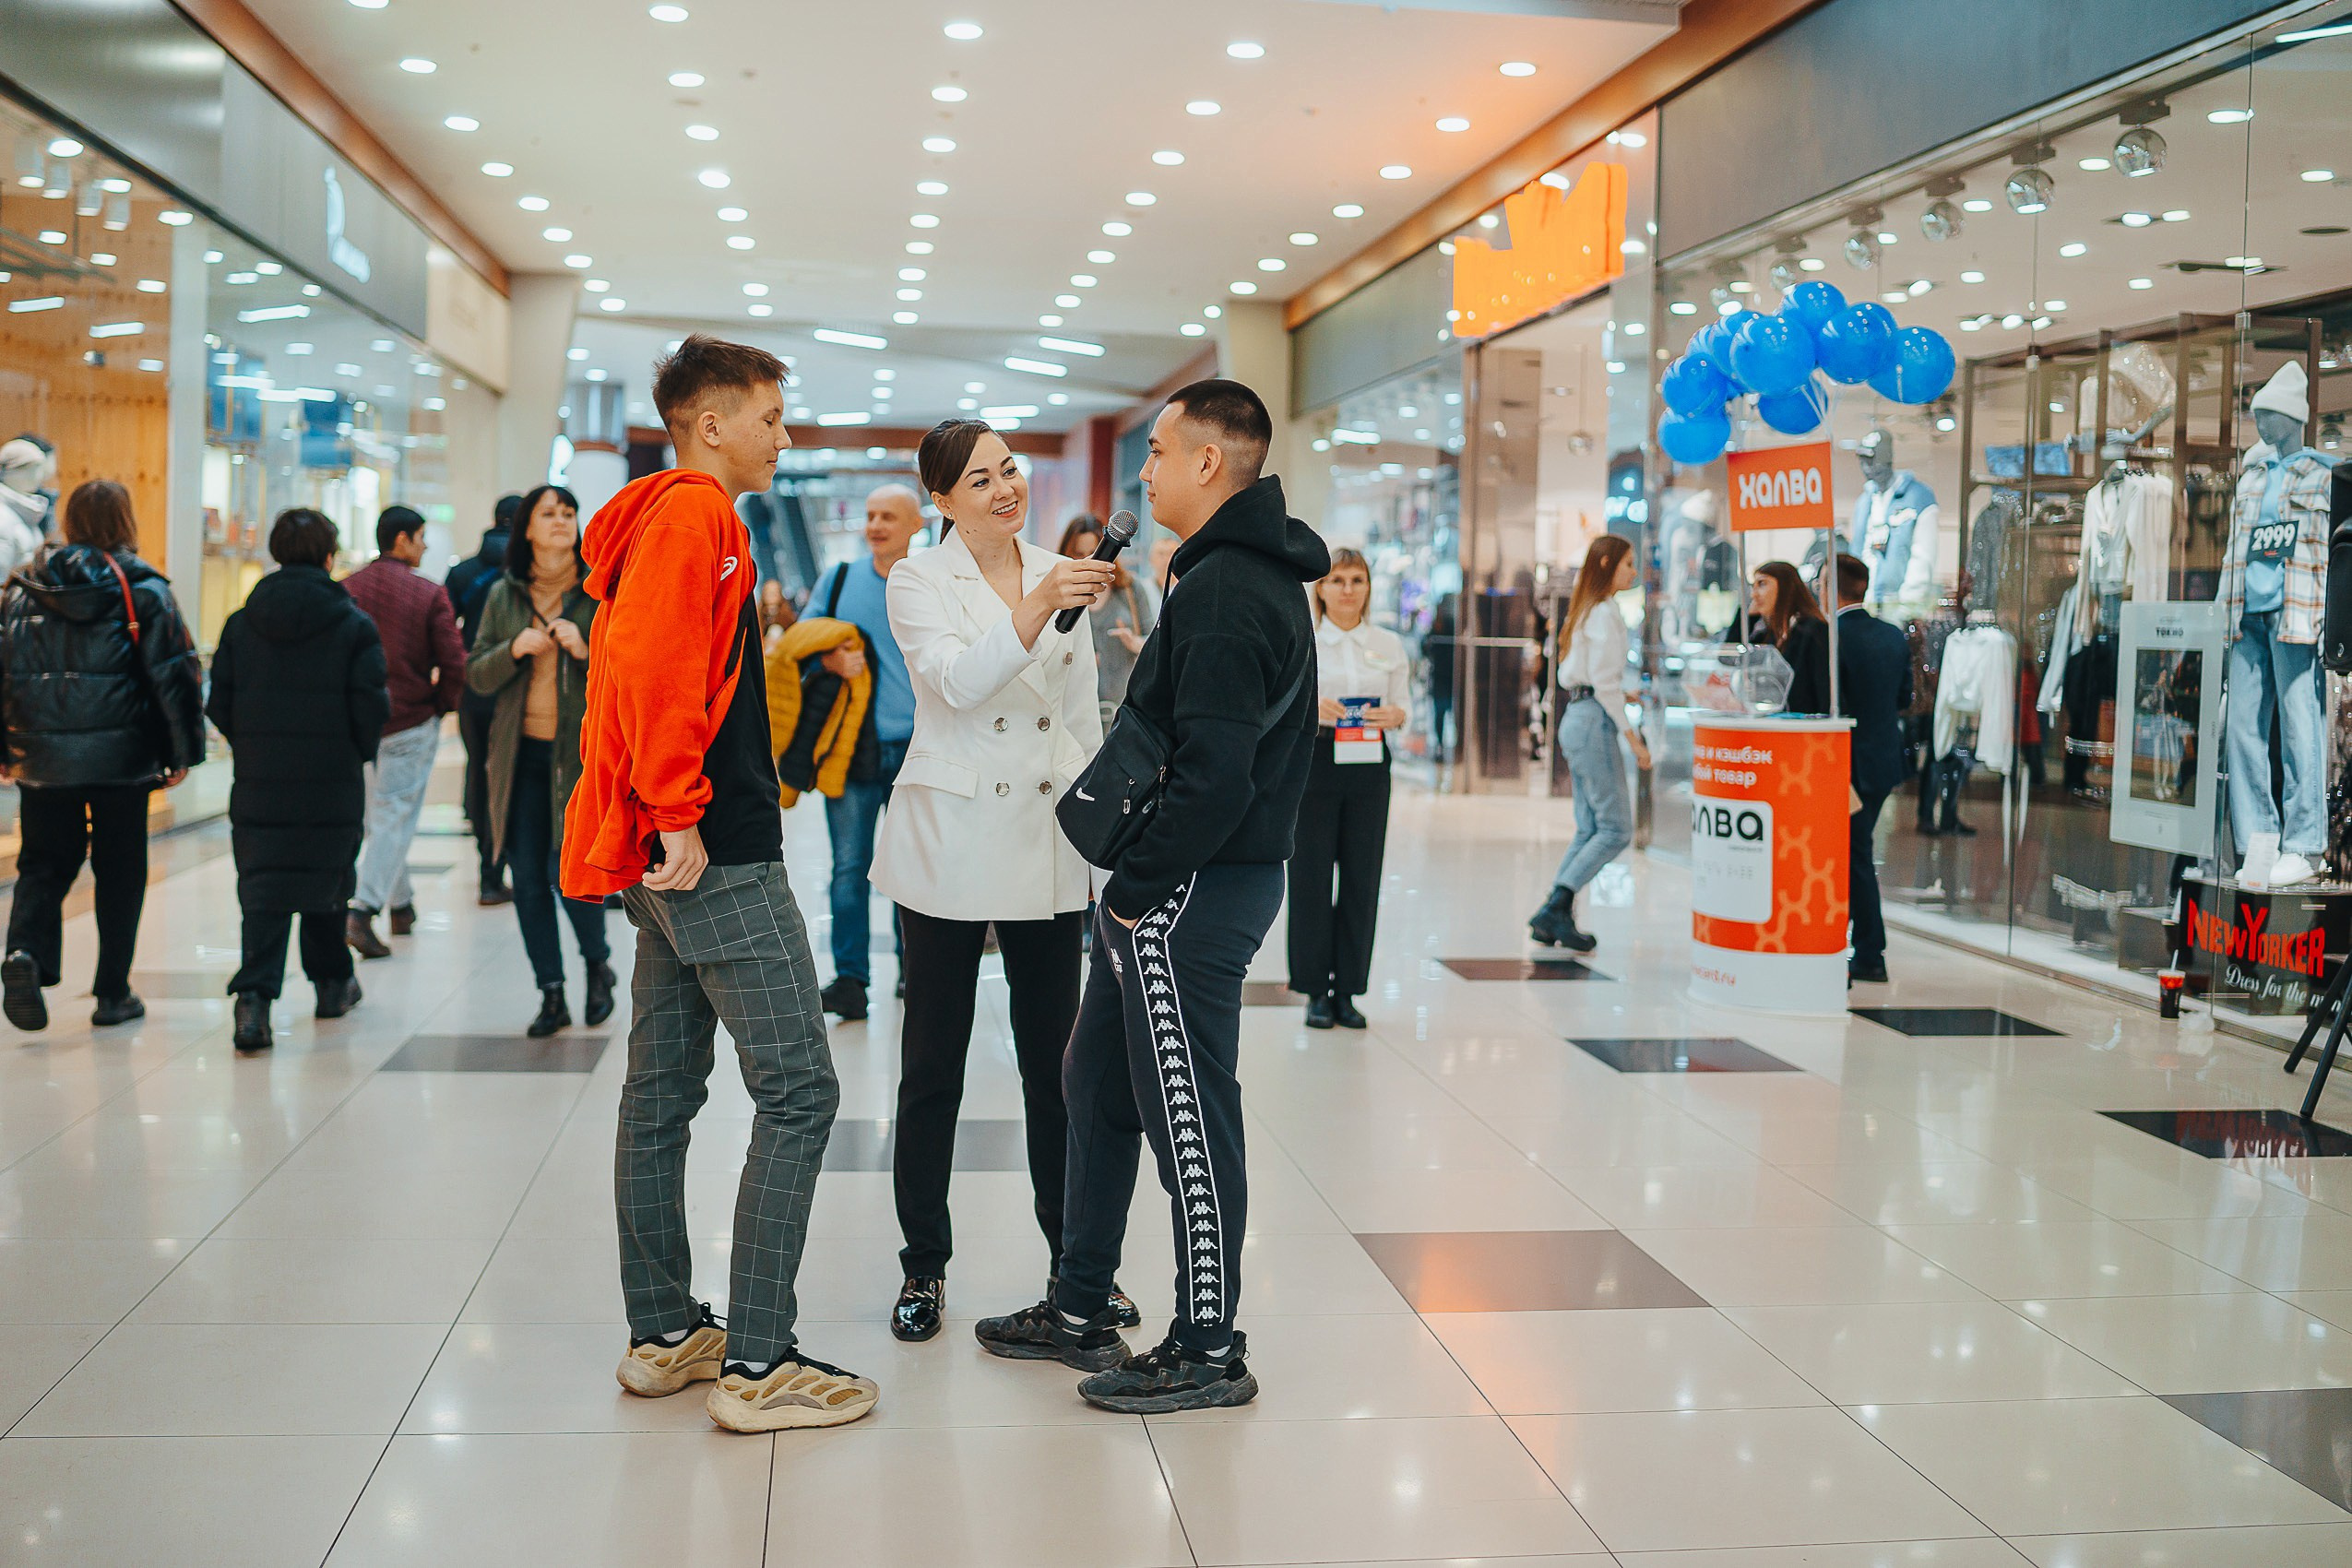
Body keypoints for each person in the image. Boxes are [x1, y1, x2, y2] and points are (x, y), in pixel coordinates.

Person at [975, 378, 1328, 1415]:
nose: (1145, 470)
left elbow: (1216, 775)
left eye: (1160, 451)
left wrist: (1133, 892)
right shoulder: (1227, 572)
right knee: (1096, 1082)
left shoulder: (1227, 589)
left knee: (1188, 1115)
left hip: (1192, 893)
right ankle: (1081, 1300)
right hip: (1182, 885)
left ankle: (1209, 1343)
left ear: (1209, 462)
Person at [561, 334, 876, 1432]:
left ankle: (664, 1333)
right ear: (710, 423)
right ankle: (758, 1359)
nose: (782, 436)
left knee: (661, 1090)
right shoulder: (696, 512)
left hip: (669, 850)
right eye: (770, 417)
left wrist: (662, 812)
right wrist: (679, 806)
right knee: (801, 1090)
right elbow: (649, 667)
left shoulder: (665, 515)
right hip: (713, 850)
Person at [868, 422, 1124, 1344]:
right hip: (950, 840)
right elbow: (956, 684)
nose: (1005, 487)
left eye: (1010, 469)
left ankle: (1074, 1267)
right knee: (931, 1066)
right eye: (980, 479)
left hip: (1046, 840)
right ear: (942, 499)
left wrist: (1100, 845)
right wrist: (1040, 604)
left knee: (1057, 1068)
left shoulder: (1060, 569)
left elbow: (1081, 718)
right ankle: (923, 1264)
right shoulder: (917, 579)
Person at [0, 480, 204, 1031]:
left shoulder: (21, 589)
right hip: (123, 760)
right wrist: (182, 751)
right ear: (125, 521)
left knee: (43, 863)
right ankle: (113, 993)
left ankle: (24, 953)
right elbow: (174, 675)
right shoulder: (143, 589)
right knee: (120, 871)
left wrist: (6, 749)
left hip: (42, 759)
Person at [208, 509, 386, 1051]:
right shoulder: (353, 625)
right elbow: (370, 707)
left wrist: (253, 745)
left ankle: (254, 1002)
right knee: (327, 881)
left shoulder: (242, 623)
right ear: (329, 556)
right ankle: (332, 985)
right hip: (332, 778)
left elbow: (219, 703)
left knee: (263, 886)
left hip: (260, 778)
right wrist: (353, 752)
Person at [465, 484, 614, 1038]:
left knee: (570, 874)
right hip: (520, 757)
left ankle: (597, 966)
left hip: (579, 758)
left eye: (568, 512)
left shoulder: (598, 592)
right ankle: (551, 991)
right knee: (527, 879)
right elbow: (476, 674)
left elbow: (628, 671)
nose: (560, 521)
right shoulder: (503, 595)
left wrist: (586, 649)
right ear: (527, 527)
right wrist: (514, 649)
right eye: (548, 513)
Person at [807, 485, 922, 1021]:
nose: (875, 525)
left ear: (915, 525)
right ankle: (851, 980)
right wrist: (828, 659)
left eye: (888, 517)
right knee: (849, 868)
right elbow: (798, 645)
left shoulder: (931, 583)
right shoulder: (839, 580)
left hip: (917, 749)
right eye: (871, 515)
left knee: (913, 871)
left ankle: (914, 972)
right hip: (850, 749)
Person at [1288, 547, 1410, 1029]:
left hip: (1369, 763)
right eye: (1337, 580)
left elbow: (1402, 705)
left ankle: (1348, 990)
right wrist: (1310, 706)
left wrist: (1396, 715)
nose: (1347, 589)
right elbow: (1281, 701)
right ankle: (1315, 990)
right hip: (1316, 760)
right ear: (1320, 588)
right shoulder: (1304, 640)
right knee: (1312, 877)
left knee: (1363, 876)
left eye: (1357, 580)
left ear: (1369, 588)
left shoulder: (1388, 643)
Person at [343, 505, 466, 957]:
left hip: (359, 725)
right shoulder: (428, 594)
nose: (425, 545)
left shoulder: (347, 589)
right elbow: (454, 662)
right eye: (420, 536)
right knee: (392, 818)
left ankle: (401, 906)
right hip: (410, 719)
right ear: (402, 539)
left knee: (380, 819)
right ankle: (363, 910)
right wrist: (441, 705)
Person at [1527, 534, 1649, 953]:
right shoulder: (1603, 613)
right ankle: (1556, 906)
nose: (1634, 571)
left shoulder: (1588, 611)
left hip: (1578, 717)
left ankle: (1553, 914)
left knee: (1591, 827)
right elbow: (1603, 684)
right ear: (1606, 565)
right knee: (1615, 829)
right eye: (1628, 563)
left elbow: (1593, 677)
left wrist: (1620, 693)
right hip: (1593, 721)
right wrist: (1634, 740)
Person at [1809, 552, 1912, 986]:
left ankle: (1869, 952)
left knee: (1854, 856)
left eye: (1820, 582)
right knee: (1856, 851)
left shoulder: (1829, 637)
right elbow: (1904, 698)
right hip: (1883, 760)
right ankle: (1863, 946)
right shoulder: (1892, 635)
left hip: (1845, 763)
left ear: (1829, 588)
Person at [447, 493, 523, 907]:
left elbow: (445, 633)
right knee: (521, 777)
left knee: (480, 776)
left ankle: (488, 876)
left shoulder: (463, 573)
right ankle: (525, 869)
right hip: (519, 689)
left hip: (474, 691)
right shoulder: (529, 572)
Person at [1057, 513, 1159, 725]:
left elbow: (1155, 645)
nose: (1087, 561)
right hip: (1074, 712)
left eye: (1093, 553)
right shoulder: (1059, 593)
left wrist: (1134, 642)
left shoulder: (1129, 588)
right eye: (1078, 554)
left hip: (1123, 710)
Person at [1750, 558, 1829, 706]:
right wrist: (1748, 617)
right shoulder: (1769, 634)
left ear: (1784, 587)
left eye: (1762, 584)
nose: (1753, 595)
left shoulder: (1812, 630)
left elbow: (1824, 690)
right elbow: (1733, 659)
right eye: (1753, 586)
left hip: (1806, 719)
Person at [0, 438, 52, 578]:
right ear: (12, 471)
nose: (39, 477)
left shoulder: (27, 512)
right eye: (33, 469)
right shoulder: (3, 517)